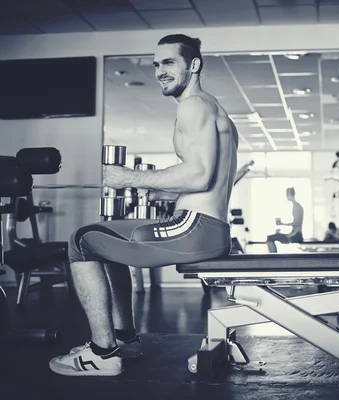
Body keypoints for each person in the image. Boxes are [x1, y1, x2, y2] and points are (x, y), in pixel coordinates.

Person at [49, 34, 239, 377]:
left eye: (169, 63)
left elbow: (198, 175)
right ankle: (126, 339)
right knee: (104, 238)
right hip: (206, 226)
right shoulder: (210, 107)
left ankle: (102, 353)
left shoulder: (194, 105)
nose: (160, 71)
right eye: (156, 64)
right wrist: (162, 191)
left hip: (196, 230)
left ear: (193, 65)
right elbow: (208, 178)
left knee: (80, 240)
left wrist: (130, 178)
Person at [266, 187, 304, 253]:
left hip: (296, 235)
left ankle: (274, 257)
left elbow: (297, 223)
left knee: (270, 238)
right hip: (294, 233)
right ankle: (274, 256)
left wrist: (282, 224)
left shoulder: (297, 207)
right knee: (272, 237)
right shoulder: (296, 206)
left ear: (289, 194)